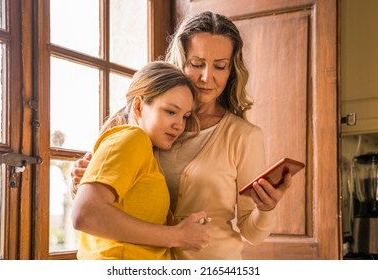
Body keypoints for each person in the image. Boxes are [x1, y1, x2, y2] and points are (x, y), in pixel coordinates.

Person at [71, 11, 292, 260]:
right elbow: (95, 207)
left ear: (232, 70)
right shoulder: (141, 127)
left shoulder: (243, 136)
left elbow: (252, 233)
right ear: (181, 60)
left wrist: (266, 208)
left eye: (220, 66)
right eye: (196, 64)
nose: (207, 77)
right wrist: (82, 179)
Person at [71, 61, 210, 260]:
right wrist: (178, 236)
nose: (179, 125)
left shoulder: (141, 148)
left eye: (185, 116)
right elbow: (85, 214)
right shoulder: (132, 138)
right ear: (138, 106)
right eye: (171, 111)